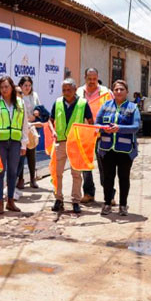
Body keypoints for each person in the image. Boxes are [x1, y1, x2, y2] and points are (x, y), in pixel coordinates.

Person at [0, 76, 30, 214]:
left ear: (12, 87)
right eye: (1, 87)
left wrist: (24, 144)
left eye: (6, 87)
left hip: (15, 142)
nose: (4, 90)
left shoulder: (20, 103)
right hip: (0, 142)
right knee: (0, 172)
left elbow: (24, 125)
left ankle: (10, 201)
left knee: (12, 172)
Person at [96, 80, 141, 216]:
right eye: (116, 89)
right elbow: (97, 123)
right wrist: (104, 128)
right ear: (112, 91)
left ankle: (123, 205)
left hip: (125, 150)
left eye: (122, 89)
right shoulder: (105, 106)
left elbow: (136, 126)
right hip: (107, 149)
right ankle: (107, 203)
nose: (119, 92)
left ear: (127, 92)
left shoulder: (133, 108)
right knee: (108, 178)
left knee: (124, 178)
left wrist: (119, 128)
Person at [49, 78, 93, 213]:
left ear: (75, 89)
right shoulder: (57, 103)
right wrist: (53, 131)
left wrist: (86, 138)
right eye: (64, 90)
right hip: (61, 142)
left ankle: (75, 201)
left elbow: (90, 122)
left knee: (76, 174)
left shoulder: (83, 103)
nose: (66, 92)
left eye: (69, 90)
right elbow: (50, 120)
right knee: (57, 173)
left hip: (76, 144)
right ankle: (58, 199)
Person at [76, 68, 111, 204]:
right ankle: (89, 193)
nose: (92, 82)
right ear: (85, 77)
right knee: (85, 164)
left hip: (101, 133)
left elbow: (113, 108)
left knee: (104, 165)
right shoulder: (78, 92)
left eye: (94, 79)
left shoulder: (106, 92)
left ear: (98, 78)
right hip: (84, 132)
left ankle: (109, 194)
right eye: (89, 79)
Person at [16, 76, 42, 189]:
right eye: (25, 85)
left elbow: (40, 108)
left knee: (31, 154)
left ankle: (32, 179)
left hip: (32, 128)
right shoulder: (17, 95)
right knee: (21, 155)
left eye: (29, 85)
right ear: (21, 85)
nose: (27, 88)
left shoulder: (34, 95)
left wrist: (37, 112)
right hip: (21, 128)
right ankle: (20, 179)